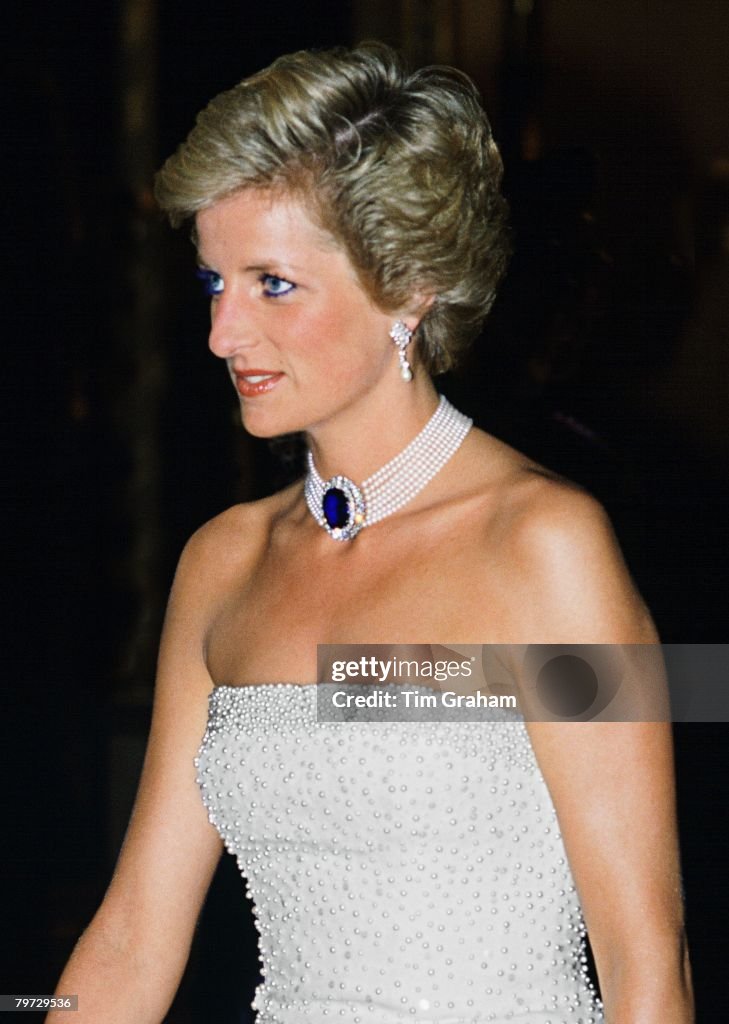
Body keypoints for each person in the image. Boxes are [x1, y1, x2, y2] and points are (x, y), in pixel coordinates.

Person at [48, 43, 693, 1024]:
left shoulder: (549, 547)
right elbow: (135, 935)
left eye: (272, 283)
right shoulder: (222, 562)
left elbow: (649, 969)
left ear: (410, 289)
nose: (223, 333)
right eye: (213, 283)